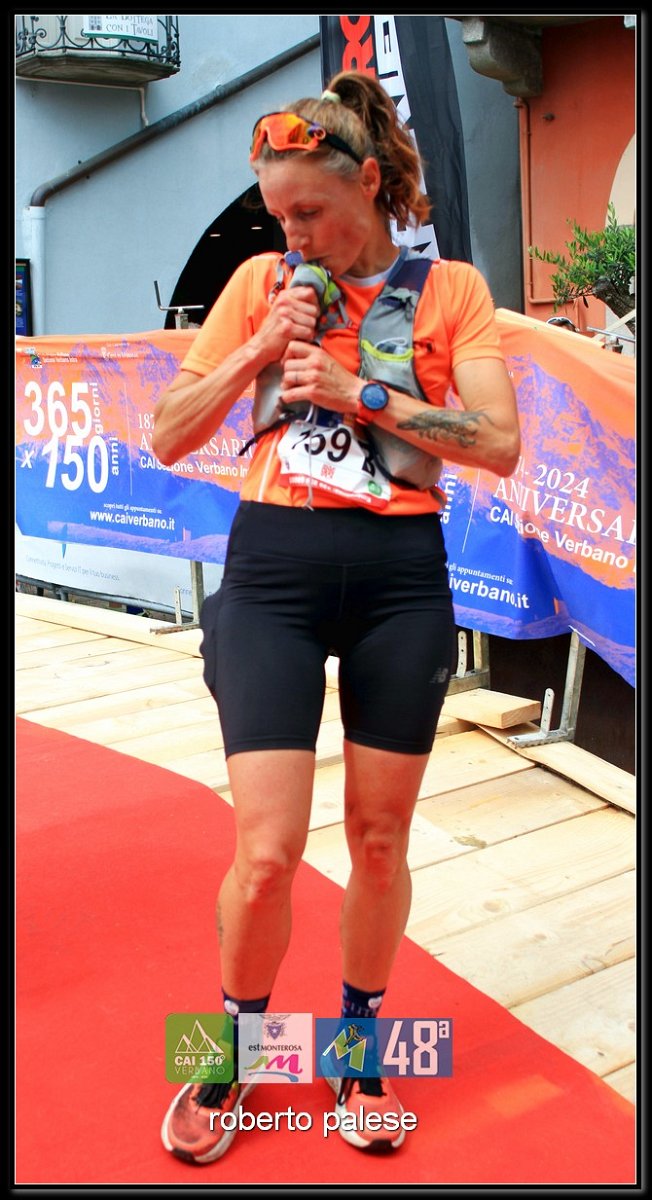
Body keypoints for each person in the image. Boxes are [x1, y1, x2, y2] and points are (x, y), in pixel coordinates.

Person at [155, 69, 520, 1165]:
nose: (294, 235)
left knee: (379, 838)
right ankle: (232, 1050)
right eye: (280, 216)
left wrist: (364, 391)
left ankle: (359, 1050)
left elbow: (499, 445)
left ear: (368, 183)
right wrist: (260, 349)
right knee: (266, 853)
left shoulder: (449, 289)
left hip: (398, 575)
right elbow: (168, 433)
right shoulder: (261, 283)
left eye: (309, 211)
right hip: (272, 570)